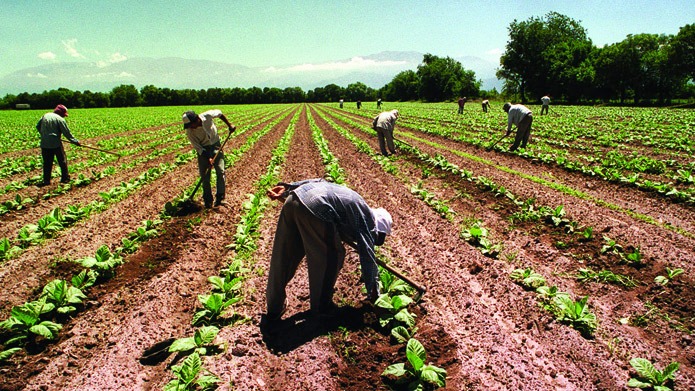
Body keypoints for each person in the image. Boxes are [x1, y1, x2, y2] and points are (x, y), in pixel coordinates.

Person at [265, 178, 392, 320]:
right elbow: (368, 257)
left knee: (284, 256)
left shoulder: (353, 202)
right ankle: (322, 307)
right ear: (377, 227)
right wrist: (374, 294)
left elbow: (320, 181)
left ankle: (274, 307)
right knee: (332, 256)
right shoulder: (367, 219)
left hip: (293, 199)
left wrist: (288, 190)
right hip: (316, 208)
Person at [182, 109, 236, 208]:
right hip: (203, 150)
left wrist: (229, 125)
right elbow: (198, 147)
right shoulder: (190, 132)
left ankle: (220, 198)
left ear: (196, 119)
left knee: (221, 171)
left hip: (216, 146)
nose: (191, 127)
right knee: (205, 176)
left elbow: (220, 113)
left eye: (191, 125)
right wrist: (208, 158)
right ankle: (208, 200)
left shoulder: (207, 116)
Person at [36, 104, 80, 186]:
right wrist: (75, 141)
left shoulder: (45, 115)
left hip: (44, 143)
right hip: (55, 143)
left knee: (47, 162)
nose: (64, 116)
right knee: (62, 161)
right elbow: (67, 133)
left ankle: (46, 180)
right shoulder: (60, 119)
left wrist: (45, 135)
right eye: (64, 115)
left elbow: (38, 126)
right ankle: (65, 178)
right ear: (61, 113)